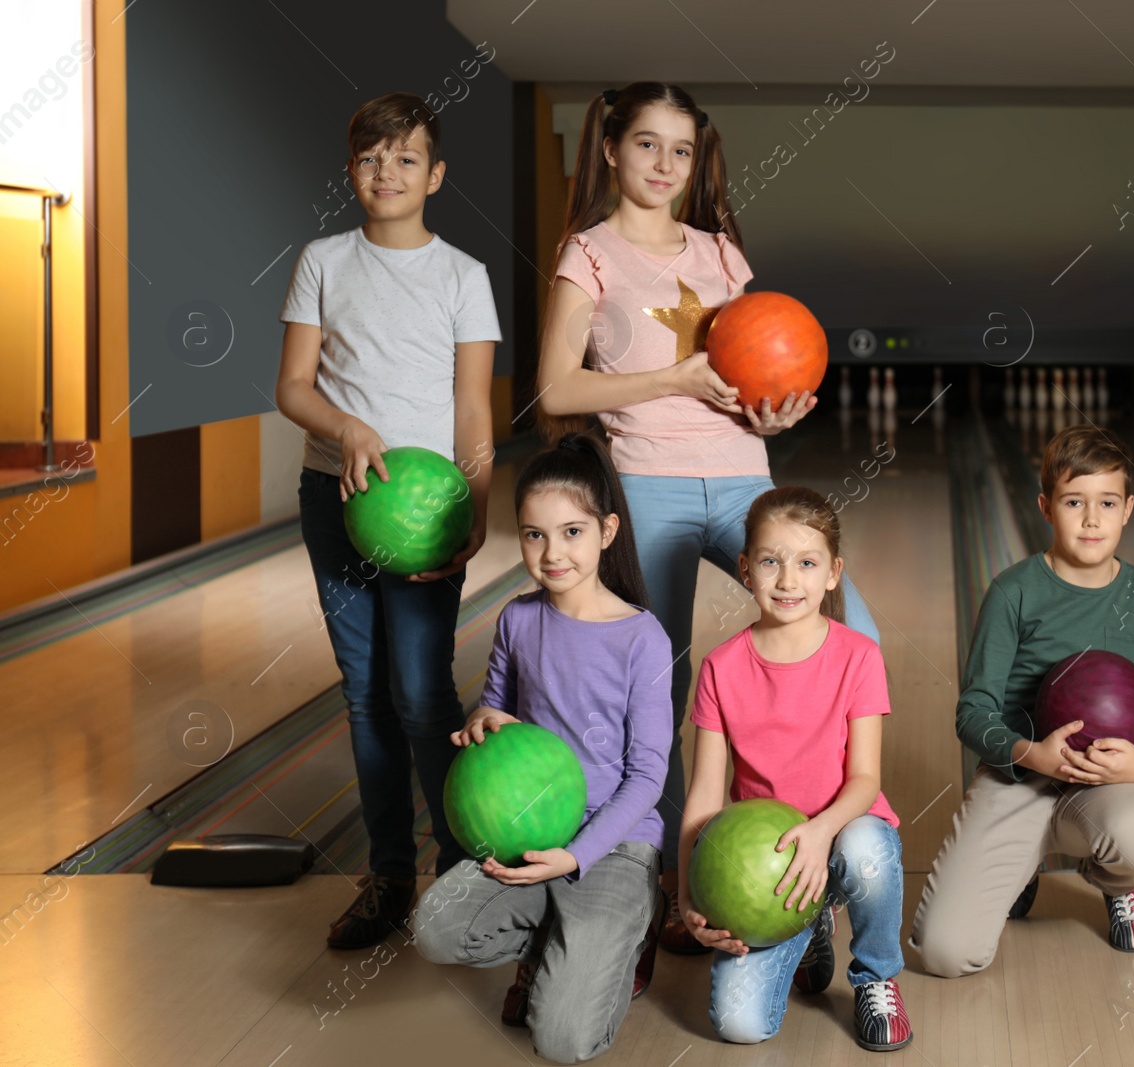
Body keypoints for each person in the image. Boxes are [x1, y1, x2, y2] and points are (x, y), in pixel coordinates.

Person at [534, 81, 882, 954]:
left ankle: (819, 851)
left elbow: (752, 364)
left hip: (741, 480)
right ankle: (661, 893)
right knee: (658, 690)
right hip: (645, 480)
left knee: (854, 633)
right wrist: (669, 381)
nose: (664, 165)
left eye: (681, 150)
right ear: (611, 149)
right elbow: (553, 392)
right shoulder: (588, 255)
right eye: (647, 144)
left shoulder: (721, 254)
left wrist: (772, 412)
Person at [276, 92, 500, 949]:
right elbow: (295, 385)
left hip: (427, 513)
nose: (387, 172)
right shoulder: (323, 260)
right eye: (371, 158)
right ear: (351, 171)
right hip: (334, 500)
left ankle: (458, 872)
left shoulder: (462, 274)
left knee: (422, 694)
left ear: (435, 175)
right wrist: (348, 428)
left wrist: (475, 515)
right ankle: (388, 877)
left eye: (406, 158)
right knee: (366, 697)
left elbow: (473, 407)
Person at [411, 432, 672, 1063]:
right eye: (535, 534)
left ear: (607, 531)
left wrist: (574, 857)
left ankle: (634, 923)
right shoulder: (518, 619)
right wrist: (482, 722)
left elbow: (647, 777)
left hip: (612, 844)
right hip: (526, 831)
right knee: (435, 929)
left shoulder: (643, 639)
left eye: (572, 532)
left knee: (561, 1042)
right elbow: (496, 709)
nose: (552, 552)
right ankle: (558, 937)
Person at [911, 424, 1134, 976]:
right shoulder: (1014, 591)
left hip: (1107, 785)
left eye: (1106, 502)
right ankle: (1021, 865)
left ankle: (1120, 883)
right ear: (1045, 507)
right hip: (1020, 778)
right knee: (945, 953)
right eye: (1073, 501)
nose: (1090, 519)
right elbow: (973, 712)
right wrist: (1030, 754)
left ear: (1127, 509)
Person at [675, 487, 912, 1052]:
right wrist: (687, 897)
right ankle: (807, 929)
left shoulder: (859, 655)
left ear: (834, 574)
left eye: (806, 563)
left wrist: (820, 829)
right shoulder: (721, 668)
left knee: (870, 853)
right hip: (770, 862)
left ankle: (876, 977)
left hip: (843, 830)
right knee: (739, 1025)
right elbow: (705, 800)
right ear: (745, 568)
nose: (787, 580)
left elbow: (865, 781)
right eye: (770, 561)